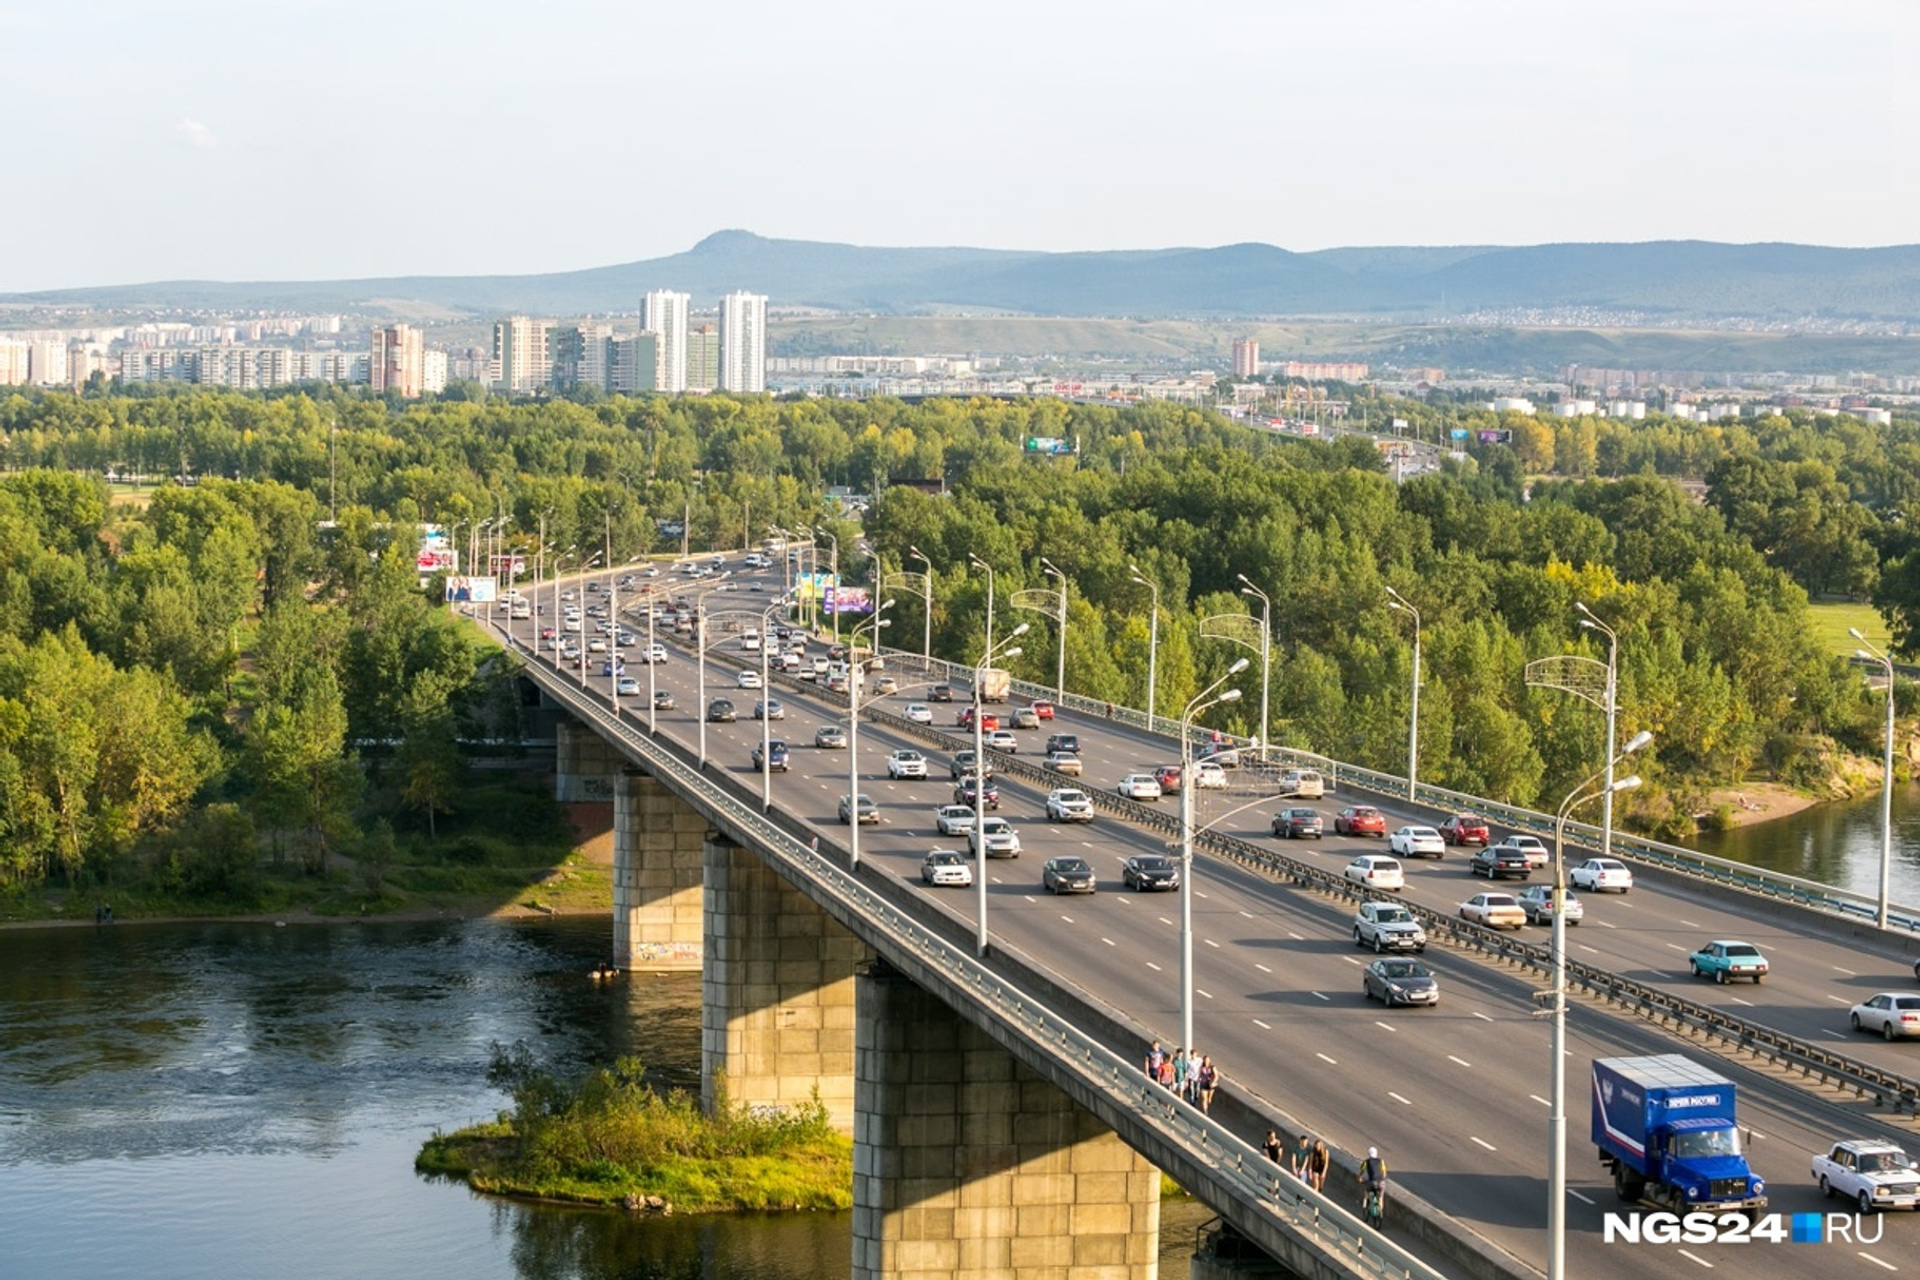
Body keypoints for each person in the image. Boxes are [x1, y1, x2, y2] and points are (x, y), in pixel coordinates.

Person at [1359, 1146, 1388, 1225]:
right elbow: (1384, 1173)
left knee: (1367, 1192)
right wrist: (1382, 1179)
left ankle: (1365, 1206)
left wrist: (1360, 1178)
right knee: (1381, 1197)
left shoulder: (1366, 1162)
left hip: (1372, 1182)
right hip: (1381, 1182)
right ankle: (1380, 1212)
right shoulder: (1381, 1161)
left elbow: (1361, 1172)